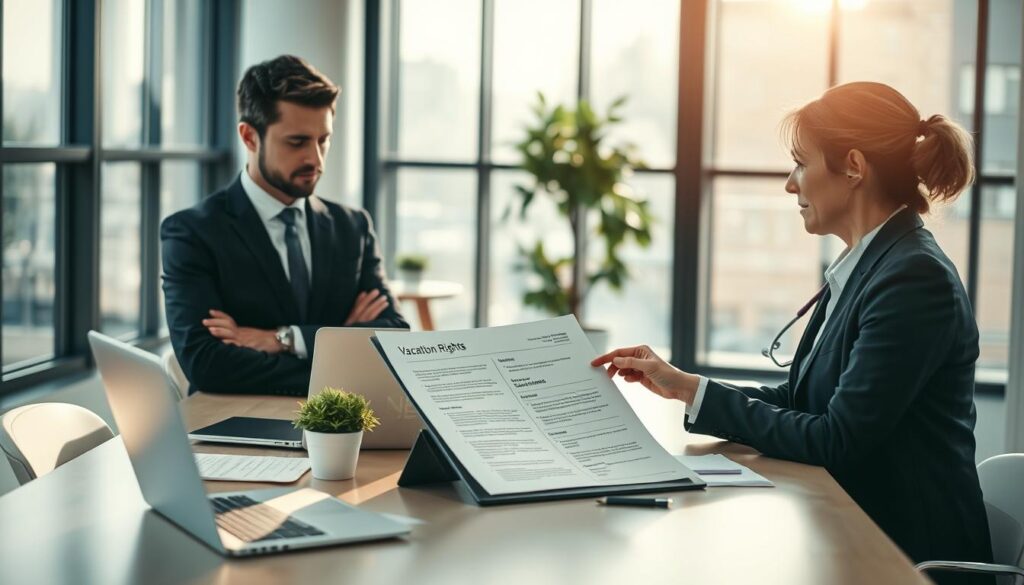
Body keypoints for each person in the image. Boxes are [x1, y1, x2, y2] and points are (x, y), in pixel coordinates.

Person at [592, 82, 993, 580]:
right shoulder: (872, 263)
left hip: (905, 556)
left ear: (853, 166)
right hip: (854, 530)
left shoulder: (914, 279)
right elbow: (808, 399)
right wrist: (686, 386)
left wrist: (698, 395)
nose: (790, 183)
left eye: (802, 162)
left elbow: (835, 437)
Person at [162, 55, 407, 396]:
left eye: (323, 140)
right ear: (249, 137)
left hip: (340, 424)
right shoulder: (192, 233)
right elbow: (208, 365)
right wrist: (342, 341)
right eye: (297, 142)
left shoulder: (353, 229)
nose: (315, 159)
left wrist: (283, 339)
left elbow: (394, 339)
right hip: (235, 429)